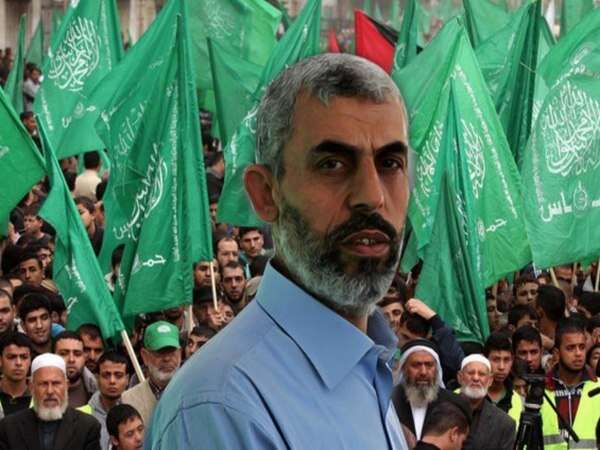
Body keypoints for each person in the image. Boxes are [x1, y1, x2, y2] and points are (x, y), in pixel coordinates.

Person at [146, 54, 410, 449]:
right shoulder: (222, 407)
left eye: (390, 162)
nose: (372, 196)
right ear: (266, 194)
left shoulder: (370, 365)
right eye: (333, 164)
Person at [0, 353, 101, 450]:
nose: (50, 391)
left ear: (66, 386)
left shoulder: (87, 427)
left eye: (56, 383)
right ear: (31, 387)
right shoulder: (9, 428)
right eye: (43, 384)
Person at [541, 317, 600, 449]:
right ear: (557, 353)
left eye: (582, 347)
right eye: (570, 348)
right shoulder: (541, 389)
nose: (578, 353)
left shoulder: (599, 388)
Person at [392, 339, 452, 444]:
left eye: (429, 365)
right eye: (416, 365)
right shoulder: (389, 401)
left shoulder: (453, 403)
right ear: (404, 369)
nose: (423, 372)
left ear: (437, 369)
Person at [121, 321, 181, 426]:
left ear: (180, 353)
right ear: (145, 356)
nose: (167, 359)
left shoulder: (193, 393)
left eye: (171, 352)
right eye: (160, 352)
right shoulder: (128, 400)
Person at [457, 354, 516, 450]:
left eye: (481, 374)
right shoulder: (441, 411)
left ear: (490, 380)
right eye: (471, 373)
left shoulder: (504, 424)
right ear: (460, 377)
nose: (476, 378)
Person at [85, 351, 130, 450]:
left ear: (127, 379)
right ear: (97, 378)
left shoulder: (137, 411)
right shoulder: (82, 415)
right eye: (106, 375)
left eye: (118, 375)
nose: (112, 381)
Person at [483, 332, 522, 423]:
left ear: (512, 360)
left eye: (506, 360)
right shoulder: (464, 395)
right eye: (496, 359)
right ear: (485, 359)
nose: (501, 367)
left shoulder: (517, 399)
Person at [54, 331, 98, 408]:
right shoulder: (36, 393)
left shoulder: (97, 391)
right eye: (63, 353)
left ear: (84, 358)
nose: (71, 359)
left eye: (77, 354)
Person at [0, 332, 33, 419]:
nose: (18, 363)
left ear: (30, 360)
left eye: (24, 357)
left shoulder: (39, 397)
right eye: (11, 357)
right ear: (0, 360)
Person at [18, 293, 52, 357]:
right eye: (32, 320)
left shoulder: (64, 348)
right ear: (23, 325)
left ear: (51, 319)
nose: (39, 325)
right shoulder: (20, 356)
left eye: (44, 318)